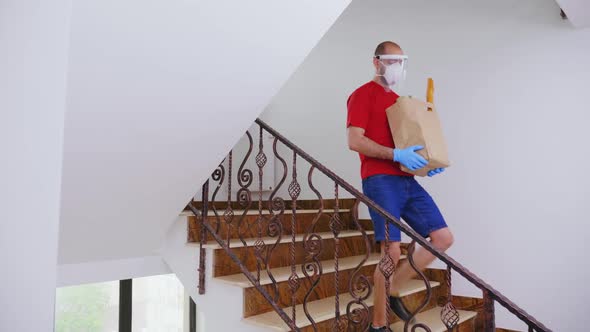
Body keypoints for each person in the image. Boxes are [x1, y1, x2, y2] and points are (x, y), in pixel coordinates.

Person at [346, 41, 454, 332]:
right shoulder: (361, 95)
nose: (396, 67)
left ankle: (392, 289)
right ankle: (378, 326)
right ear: (376, 62)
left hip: (406, 180)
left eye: (400, 61)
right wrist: (395, 155)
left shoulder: (399, 102)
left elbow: (408, 144)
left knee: (442, 239)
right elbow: (355, 141)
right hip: (380, 181)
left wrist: (426, 163)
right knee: (391, 252)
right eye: (390, 61)